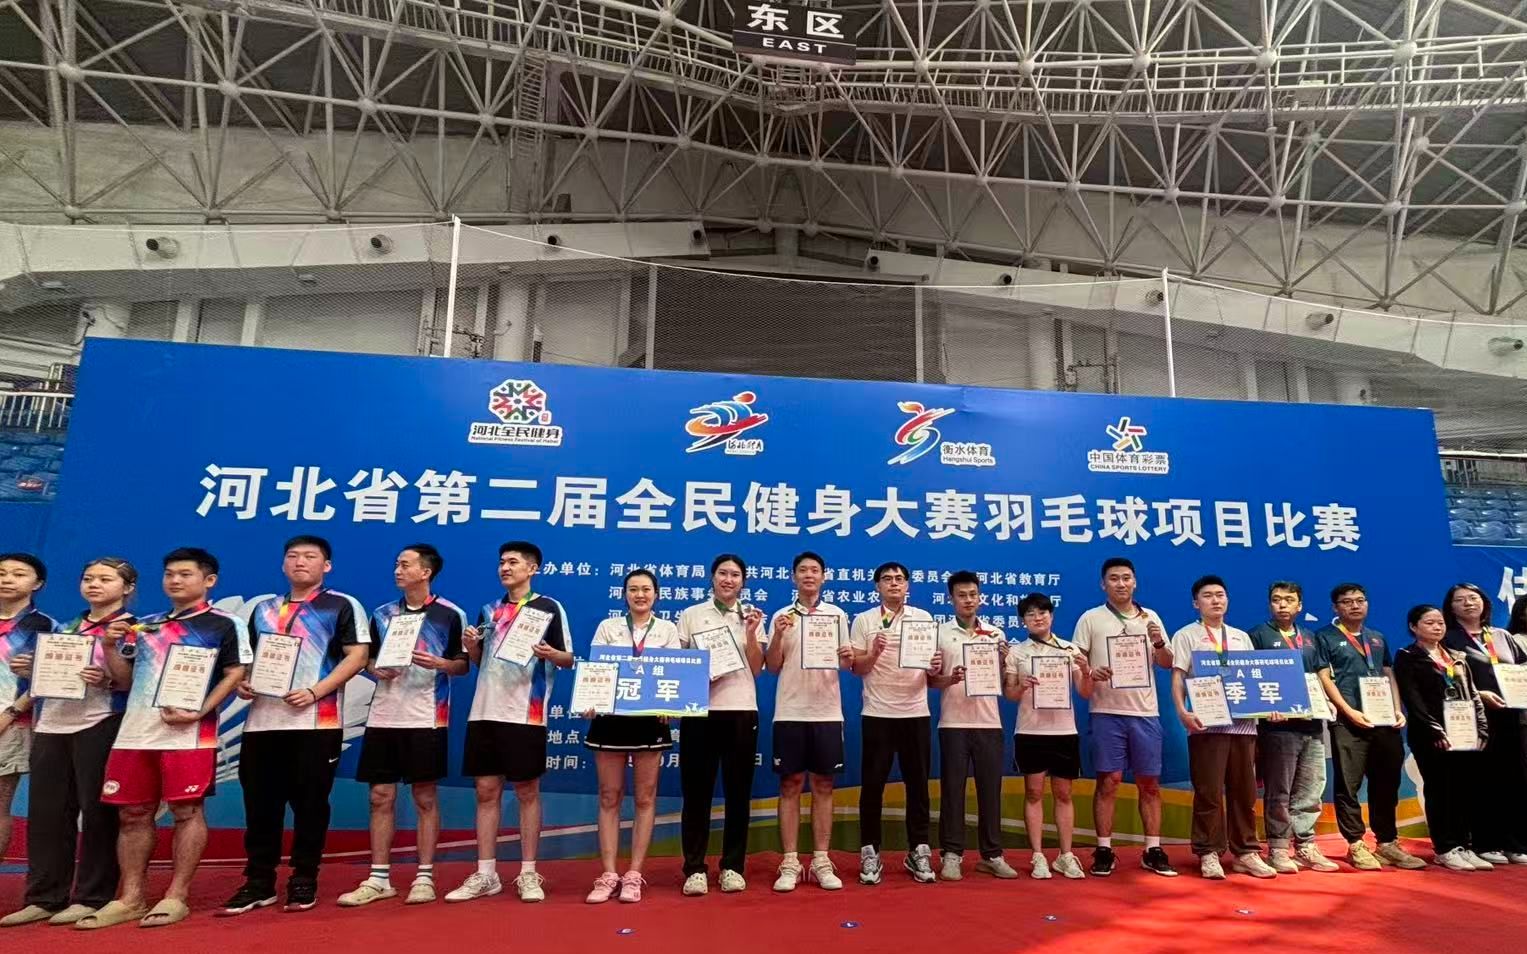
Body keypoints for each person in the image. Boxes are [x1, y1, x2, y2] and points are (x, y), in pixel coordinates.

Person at [79, 547, 250, 929]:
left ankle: (177, 895)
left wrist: (201, 710)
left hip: (188, 733)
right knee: (132, 814)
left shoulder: (224, 624)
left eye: (185, 574)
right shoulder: (145, 626)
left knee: (187, 811)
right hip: (135, 732)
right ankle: (131, 897)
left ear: (209, 580)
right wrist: (109, 647)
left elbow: (235, 673)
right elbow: (125, 681)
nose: (175, 580)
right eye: (169, 573)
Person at [222, 535, 370, 916]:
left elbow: (357, 656)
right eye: (292, 556)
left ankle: (304, 877)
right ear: (283, 564)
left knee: (310, 805)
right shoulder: (263, 609)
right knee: (260, 806)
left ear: (326, 565)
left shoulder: (342, 604)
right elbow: (246, 660)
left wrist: (316, 691)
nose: (300, 562)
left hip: (316, 723)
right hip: (261, 724)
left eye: (310, 556)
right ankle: (259, 881)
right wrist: (243, 683)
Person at [3, 558, 134, 928]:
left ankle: (92, 896)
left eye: (105, 579)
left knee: (96, 814)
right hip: (50, 724)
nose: (94, 584)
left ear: (127, 588)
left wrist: (106, 678)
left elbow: (128, 682)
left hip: (99, 722)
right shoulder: (66, 627)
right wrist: (31, 669)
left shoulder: (131, 628)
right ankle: (44, 897)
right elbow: (47, 677)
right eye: (88, 578)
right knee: (47, 815)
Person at [338, 545, 467, 908]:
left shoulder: (450, 614)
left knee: (424, 797)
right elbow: (366, 660)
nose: (398, 570)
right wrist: (374, 669)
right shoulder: (382, 614)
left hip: (426, 716)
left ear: (426, 572)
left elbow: (461, 665)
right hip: (383, 715)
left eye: (405, 565)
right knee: (380, 796)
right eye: (396, 564)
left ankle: (425, 876)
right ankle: (379, 878)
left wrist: (440, 663)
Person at [446, 541, 574, 904]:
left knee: (527, 791)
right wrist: (472, 645)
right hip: (484, 711)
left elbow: (568, 659)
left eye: (513, 562)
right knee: (486, 791)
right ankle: (486, 873)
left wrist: (551, 653)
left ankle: (528, 872)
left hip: (525, 713)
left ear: (532, 569)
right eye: (502, 562)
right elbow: (478, 661)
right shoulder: (489, 610)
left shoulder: (548, 608)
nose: (505, 568)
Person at [1070, 557, 1177, 877]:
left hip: (1144, 712)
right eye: (1114, 578)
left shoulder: (1151, 617)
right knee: (1109, 781)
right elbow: (1077, 660)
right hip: (1106, 712)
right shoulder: (1091, 618)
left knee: (1150, 783)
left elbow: (1166, 662)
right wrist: (1092, 671)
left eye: (1126, 578)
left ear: (1135, 582)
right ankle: (1104, 849)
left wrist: (1158, 641)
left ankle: (1153, 849)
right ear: (1103, 584)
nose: (1121, 583)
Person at [582, 569, 682, 904]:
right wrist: (590, 700)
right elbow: (597, 671)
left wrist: (672, 704)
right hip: (610, 720)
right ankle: (609, 873)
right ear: (624, 594)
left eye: (646, 589)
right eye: (633, 589)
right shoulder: (608, 627)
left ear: (656, 594)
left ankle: (635, 874)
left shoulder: (667, 630)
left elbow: (674, 674)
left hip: (650, 720)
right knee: (609, 796)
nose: (640, 595)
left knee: (645, 798)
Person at [1313, 582, 1425, 871]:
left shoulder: (1376, 637)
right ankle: (1355, 844)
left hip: (1383, 720)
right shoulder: (1324, 637)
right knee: (1348, 785)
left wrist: (1397, 709)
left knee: (1386, 782)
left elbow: (1387, 672)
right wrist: (1347, 710)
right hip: (1348, 721)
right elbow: (1324, 677)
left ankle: (1387, 843)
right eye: (1347, 601)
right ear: (1335, 607)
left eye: (1360, 600)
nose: (1355, 605)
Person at [1170, 576, 1275, 880]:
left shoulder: (1241, 637)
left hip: (1244, 727)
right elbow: (1177, 676)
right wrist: (1182, 711)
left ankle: (1246, 852)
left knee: (1244, 793)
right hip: (1207, 725)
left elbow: (1254, 678)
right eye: (1207, 596)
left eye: (1220, 595)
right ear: (1196, 603)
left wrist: (1269, 707)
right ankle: (1209, 852)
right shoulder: (1186, 635)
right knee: (1209, 791)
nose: (1215, 600)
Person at [675, 554, 766, 897]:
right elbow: (679, 664)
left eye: (735, 575)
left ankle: (732, 866)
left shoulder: (751, 616)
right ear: (712, 577)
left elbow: (756, 668)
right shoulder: (692, 614)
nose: (729, 579)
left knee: (738, 793)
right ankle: (694, 868)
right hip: (700, 711)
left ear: (743, 581)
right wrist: (701, 671)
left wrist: (752, 633)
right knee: (696, 794)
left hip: (741, 709)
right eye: (723, 573)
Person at [848, 561, 940, 885]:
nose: (894, 583)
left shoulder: (923, 619)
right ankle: (870, 851)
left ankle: (918, 849)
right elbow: (857, 668)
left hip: (915, 713)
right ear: (877, 586)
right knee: (872, 787)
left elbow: (931, 672)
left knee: (918, 787)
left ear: (907, 585)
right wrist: (873, 653)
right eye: (887, 579)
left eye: (899, 578)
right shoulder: (865, 620)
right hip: (878, 713)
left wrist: (934, 667)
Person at [765, 551, 852, 892]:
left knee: (824, 785)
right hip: (790, 711)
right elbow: (773, 666)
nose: (809, 575)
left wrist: (848, 656)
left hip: (827, 711)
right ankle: (790, 861)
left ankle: (820, 860)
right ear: (794, 577)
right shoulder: (781, 616)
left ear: (823, 577)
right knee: (790, 784)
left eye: (815, 570)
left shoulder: (836, 615)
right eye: (803, 570)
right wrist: (776, 635)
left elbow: (846, 663)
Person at [1245, 581, 1338, 873]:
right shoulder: (1257, 635)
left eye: (1289, 600)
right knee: (1280, 790)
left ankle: (1306, 844)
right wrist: (1264, 708)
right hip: (1278, 726)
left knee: (1312, 787)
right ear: (1269, 604)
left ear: (1300, 605)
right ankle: (1278, 848)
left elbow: (1322, 674)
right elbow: (1250, 677)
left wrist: (1330, 702)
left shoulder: (1310, 637)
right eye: (1276, 599)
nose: (1282, 605)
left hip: (1312, 723)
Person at [930, 570, 1017, 880]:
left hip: (989, 723)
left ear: (981, 598)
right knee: (952, 790)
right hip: (953, 723)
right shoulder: (940, 633)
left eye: (973, 595)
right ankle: (952, 854)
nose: (968, 600)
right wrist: (949, 678)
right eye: (961, 595)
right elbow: (931, 681)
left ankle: (992, 855)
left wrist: (1004, 662)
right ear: (951, 599)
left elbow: (1005, 684)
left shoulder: (996, 634)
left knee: (990, 791)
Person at [1394, 604, 1491, 871]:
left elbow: (1472, 693)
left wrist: (1481, 727)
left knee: (1463, 790)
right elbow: (1413, 699)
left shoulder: (1455, 656)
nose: (1437, 627)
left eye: (1440, 622)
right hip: (1432, 737)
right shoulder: (1408, 656)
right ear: (1413, 627)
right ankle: (1445, 847)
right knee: (1440, 790)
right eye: (1429, 623)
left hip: (1464, 732)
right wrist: (1434, 730)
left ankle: (1464, 845)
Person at [1002, 592, 1092, 880]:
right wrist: (1023, 686)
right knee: (1034, 793)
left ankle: (1066, 855)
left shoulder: (1070, 650)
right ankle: (1038, 855)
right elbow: (1009, 694)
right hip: (1030, 731)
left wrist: (1085, 670)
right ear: (1023, 621)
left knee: (1064, 794)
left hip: (1064, 731)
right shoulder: (1017, 652)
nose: (1037, 617)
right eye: (1030, 614)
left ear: (1051, 616)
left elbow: (1085, 692)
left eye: (1042, 612)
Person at [1442, 582, 1527, 865]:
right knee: (1481, 781)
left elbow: (1522, 667)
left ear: (1485, 602)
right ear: (1451, 608)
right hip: (1474, 719)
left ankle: (1514, 843)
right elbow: (1445, 679)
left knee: (1513, 779)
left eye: (1473, 597)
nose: (1469, 603)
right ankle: (1485, 842)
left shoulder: (1502, 635)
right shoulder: (1449, 638)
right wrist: (1480, 694)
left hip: (1510, 716)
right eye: (1461, 600)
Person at [0, 553, 53, 878]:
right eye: (2, 573)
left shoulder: (44, 626)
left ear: (38, 584)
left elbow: (48, 680)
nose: (7, 579)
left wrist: (10, 713)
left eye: (18, 574)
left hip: (9, 725)